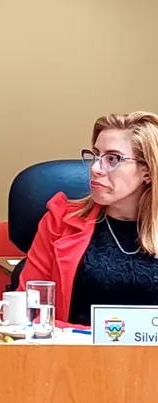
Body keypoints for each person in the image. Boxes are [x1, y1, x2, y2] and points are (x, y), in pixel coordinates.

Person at [17, 111, 158, 326]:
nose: (95, 169)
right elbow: (28, 311)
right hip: (74, 353)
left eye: (112, 159)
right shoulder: (61, 221)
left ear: (147, 170)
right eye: (95, 156)